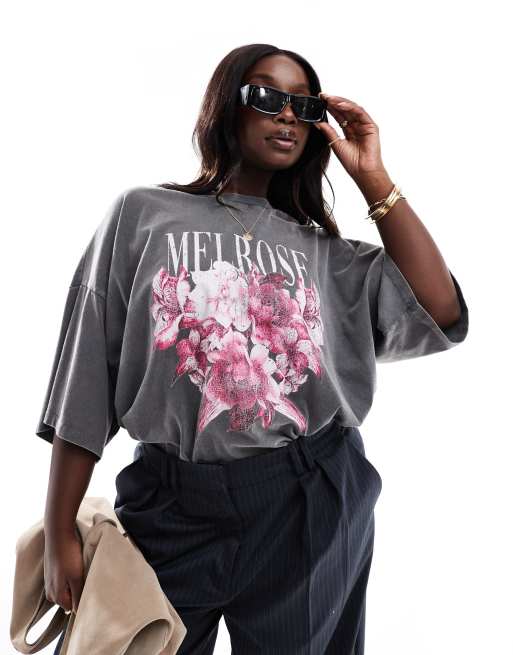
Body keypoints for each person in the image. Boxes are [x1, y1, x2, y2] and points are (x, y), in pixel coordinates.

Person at [39, 44, 469, 655]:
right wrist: (58, 527)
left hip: (306, 501)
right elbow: (85, 376)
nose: (287, 114)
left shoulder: (328, 255)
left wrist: (371, 175)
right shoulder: (144, 215)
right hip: (168, 502)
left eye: (304, 105)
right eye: (267, 96)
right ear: (227, 106)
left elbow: (440, 310)